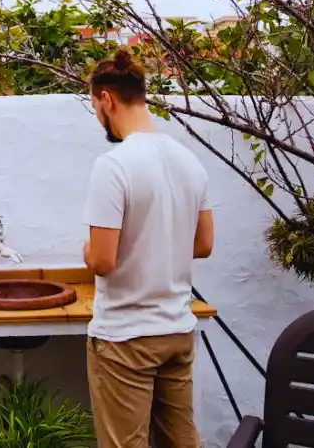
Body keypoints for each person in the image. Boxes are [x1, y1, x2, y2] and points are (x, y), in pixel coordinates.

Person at [81, 48, 215, 448]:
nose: (98, 118)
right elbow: (204, 244)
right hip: (176, 330)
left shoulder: (114, 165)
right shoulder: (189, 161)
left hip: (126, 338)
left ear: (107, 99)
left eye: (95, 107)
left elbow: (102, 260)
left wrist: (86, 249)